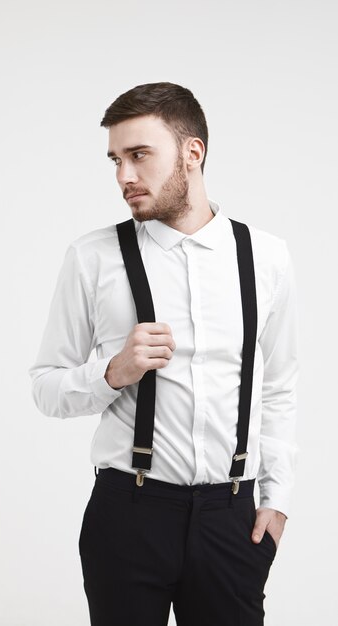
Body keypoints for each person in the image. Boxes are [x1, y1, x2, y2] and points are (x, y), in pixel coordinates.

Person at [28, 82, 298, 626]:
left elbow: (279, 385)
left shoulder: (265, 257)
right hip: (128, 513)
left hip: (232, 518)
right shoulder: (92, 257)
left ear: (192, 153)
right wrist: (113, 372)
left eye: (139, 155)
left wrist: (276, 495)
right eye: (116, 160)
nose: (124, 176)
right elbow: (46, 387)